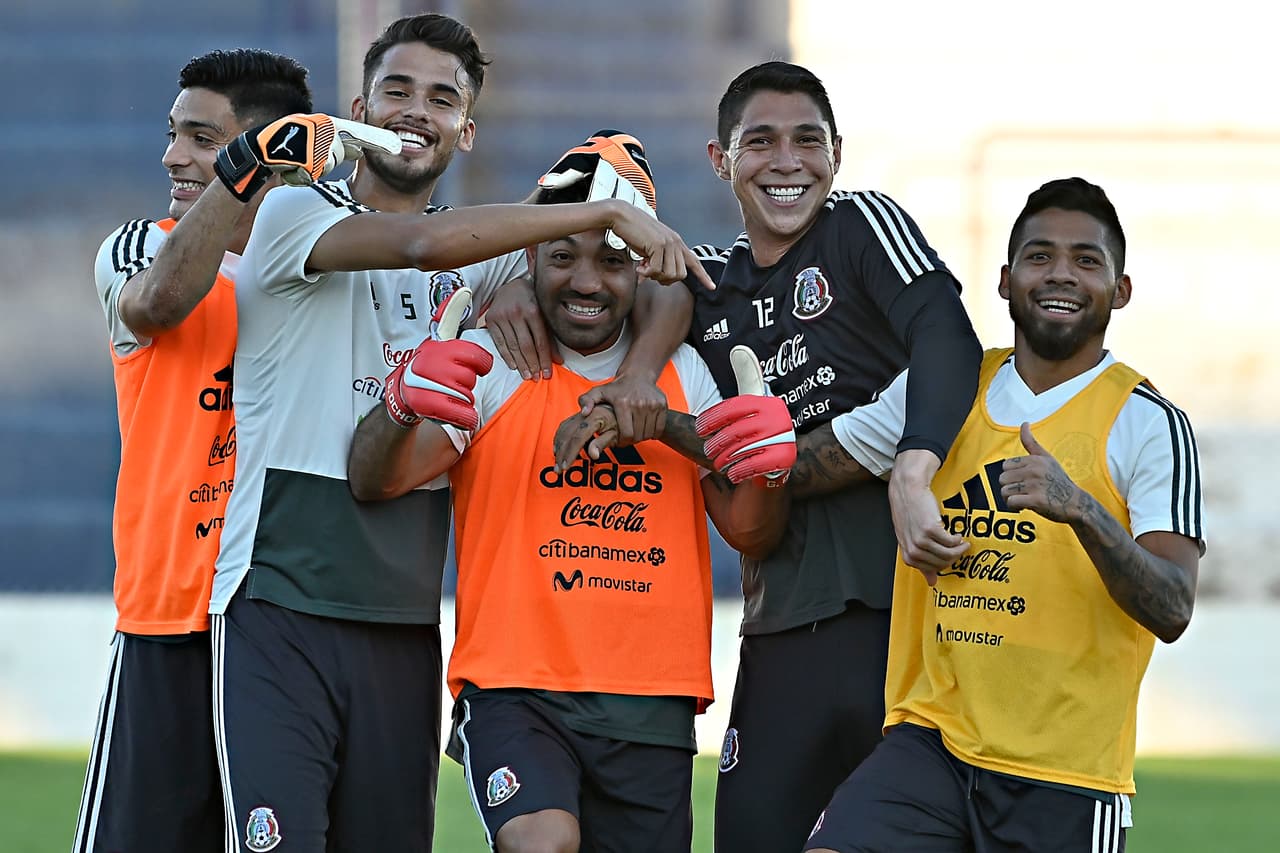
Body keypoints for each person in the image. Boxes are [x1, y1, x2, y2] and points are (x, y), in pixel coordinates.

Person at [208, 14, 707, 853]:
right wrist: (587, 218)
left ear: (466, 130)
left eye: (442, 97)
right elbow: (419, 242)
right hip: (280, 598)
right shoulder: (293, 208)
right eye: (396, 90)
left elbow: (662, 288)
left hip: (404, 619)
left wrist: (615, 352)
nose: (416, 110)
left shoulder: (494, 261)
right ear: (359, 104)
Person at [346, 162, 794, 853]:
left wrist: (765, 473)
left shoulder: (688, 374)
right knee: (542, 843)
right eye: (562, 257)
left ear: (642, 270)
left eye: (613, 262)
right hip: (515, 690)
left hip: (652, 699)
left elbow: (747, 531)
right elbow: (375, 480)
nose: (587, 282)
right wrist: (402, 400)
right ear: (529, 262)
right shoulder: (491, 361)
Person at [802, 177, 1204, 852]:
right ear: (1005, 278)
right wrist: (699, 434)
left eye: (1086, 260)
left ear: (1121, 288)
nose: (1060, 274)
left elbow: (1172, 606)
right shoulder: (948, 384)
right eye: (1040, 255)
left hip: (1064, 774)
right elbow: (814, 462)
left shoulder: (1148, 422)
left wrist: (1079, 508)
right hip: (930, 741)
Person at [683, 61, 982, 852]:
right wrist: (511, 291)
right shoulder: (701, 284)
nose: (788, 161)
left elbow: (951, 337)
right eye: (761, 141)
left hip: (907, 622)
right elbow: (588, 285)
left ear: (837, 153)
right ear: (721, 160)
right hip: (780, 624)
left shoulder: (860, 226)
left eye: (808, 140)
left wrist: (912, 464)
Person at [76, 49, 314, 853]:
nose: (173, 155)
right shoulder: (138, 245)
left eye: (203, 139)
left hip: (281, 625)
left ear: (268, 151)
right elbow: (159, 305)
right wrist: (237, 177)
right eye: (174, 134)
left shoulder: (322, 265)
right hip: (169, 617)